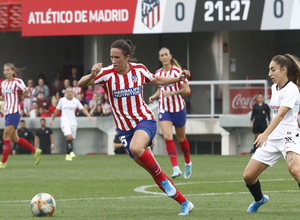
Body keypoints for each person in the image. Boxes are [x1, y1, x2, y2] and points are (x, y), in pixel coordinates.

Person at [78, 39, 194, 215]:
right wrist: (92, 74)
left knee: (137, 148)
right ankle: (185, 203)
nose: (114, 61)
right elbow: (81, 83)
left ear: (127, 57)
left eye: (117, 57)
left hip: (144, 120)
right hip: (125, 131)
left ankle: (164, 179)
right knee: (152, 170)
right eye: (111, 57)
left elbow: (157, 80)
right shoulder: (107, 73)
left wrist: (178, 78)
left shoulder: (138, 70)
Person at [243, 54, 300, 213]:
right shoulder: (274, 88)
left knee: (295, 171)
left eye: (273, 69)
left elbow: (282, 115)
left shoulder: (292, 89)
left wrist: (265, 133)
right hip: (273, 137)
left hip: (289, 136)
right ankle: (259, 199)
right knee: (248, 176)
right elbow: (278, 115)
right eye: (269, 70)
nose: (269, 73)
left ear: (284, 69)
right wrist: (269, 134)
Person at [149, 47, 192, 179]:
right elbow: (160, 88)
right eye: (162, 55)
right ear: (159, 58)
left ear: (170, 56)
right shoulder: (158, 73)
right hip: (164, 109)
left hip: (178, 108)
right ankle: (175, 168)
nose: (164, 57)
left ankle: (188, 162)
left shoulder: (178, 72)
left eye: (166, 54)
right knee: (167, 137)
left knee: (181, 139)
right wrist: (154, 96)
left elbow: (187, 90)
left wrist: (172, 93)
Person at [0, 63, 42, 168]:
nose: (6, 72)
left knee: (5, 135)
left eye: (8, 70)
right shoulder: (3, 83)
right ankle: (35, 150)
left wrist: (27, 94)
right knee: (15, 139)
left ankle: (3, 162)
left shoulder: (18, 82)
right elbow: (4, 97)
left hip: (14, 112)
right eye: (4, 70)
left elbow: (27, 93)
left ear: (13, 71)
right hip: (7, 112)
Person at [50, 87, 94, 161]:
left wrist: (89, 116)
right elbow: (57, 110)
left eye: (71, 92)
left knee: (71, 139)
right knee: (69, 136)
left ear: (73, 93)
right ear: (65, 93)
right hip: (65, 121)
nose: (69, 93)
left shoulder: (76, 101)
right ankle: (71, 152)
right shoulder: (62, 100)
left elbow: (82, 109)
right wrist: (52, 119)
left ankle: (68, 154)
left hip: (73, 122)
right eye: (68, 92)